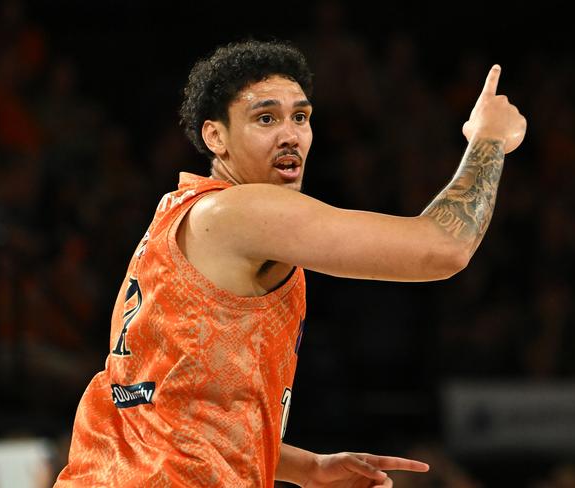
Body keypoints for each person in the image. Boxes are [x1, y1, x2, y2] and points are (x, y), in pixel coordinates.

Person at [55, 39, 526, 487]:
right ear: (214, 136)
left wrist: (305, 468)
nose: (290, 135)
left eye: (300, 117)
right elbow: (443, 248)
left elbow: (172, 403)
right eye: (265, 119)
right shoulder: (242, 212)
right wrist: (488, 139)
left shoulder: (179, 215)